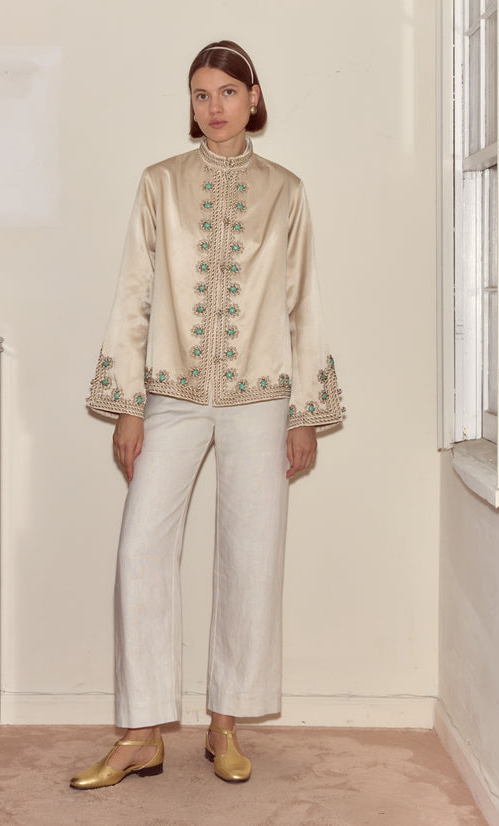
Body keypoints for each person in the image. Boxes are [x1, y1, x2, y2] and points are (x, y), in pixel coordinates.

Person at [71, 39, 343, 790]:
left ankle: (224, 722)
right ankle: (142, 730)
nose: (214, 106)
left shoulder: (287, 191)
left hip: (262, 396)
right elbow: (135, 292)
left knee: (251, 556)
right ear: (189, 106)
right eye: (200, 94)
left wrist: (304, 414)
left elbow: (302, 301)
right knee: (140, 552)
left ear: (254, 97)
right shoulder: (160, 184)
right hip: (172, 393)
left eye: (227, 91)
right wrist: (128, 404)